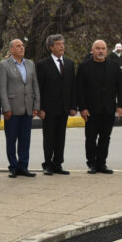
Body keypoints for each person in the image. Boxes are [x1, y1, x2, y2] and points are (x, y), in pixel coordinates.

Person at [76, 40, 122, 174]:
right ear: (92, 50)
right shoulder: (84, 66)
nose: (100, 51)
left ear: (107, 51)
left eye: (103, 48)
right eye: (98, 48)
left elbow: (121, 87)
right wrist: (82, 108)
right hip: (90, 110)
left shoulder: (114, 66)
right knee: (91, 137)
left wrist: (120, 105)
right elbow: (80, 89)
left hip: (109, 108)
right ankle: (92, 163)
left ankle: (102, 163)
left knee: (105, 137)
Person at [0, 39, 41, 177]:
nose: (22, 48)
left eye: (22, 45)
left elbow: (35, 85)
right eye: (18, 46)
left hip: (28, 108)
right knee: (11, 140)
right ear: (11, 49)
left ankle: (23, 166)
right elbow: (2, 88)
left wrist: (36, 105)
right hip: (12, 109)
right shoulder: (4, 65)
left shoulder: (30, 64)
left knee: (25, 140)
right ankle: (13, 166)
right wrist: (6, 108)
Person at [35, 34, 77, 176]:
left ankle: (58, 163)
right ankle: (47, 164)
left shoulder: (69, 64)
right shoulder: (42, 65)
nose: (62, 46)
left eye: (63, 44)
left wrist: (73, 106)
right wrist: (40, 108)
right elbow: (39, 88)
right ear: (51, 47)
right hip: (48, 109)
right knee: (49, 137)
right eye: (58, 44)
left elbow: (72, 86)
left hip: (64, 108)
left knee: (60, 137)